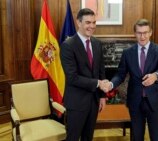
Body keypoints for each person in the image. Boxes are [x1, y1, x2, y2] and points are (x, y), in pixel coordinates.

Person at [104, 19, 158, 141]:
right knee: (136, 137)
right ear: (135, 33)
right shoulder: (128, 53)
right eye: (139, 33)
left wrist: (155, 76)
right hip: (135, 101)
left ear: (151, 33)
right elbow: (120, 74)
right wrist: (111, 84)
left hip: (154, 101)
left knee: (156, 137)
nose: (142, 36)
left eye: (145, 32)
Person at [60, 8, 108, 141]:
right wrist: (98, 83)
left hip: (94, 101)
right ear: (78, 22)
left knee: (88, 137)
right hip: (76, 103)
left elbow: (101, 71)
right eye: (88, 22)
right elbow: (72, 77)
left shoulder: (97, 43)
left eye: (94, 22)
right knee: (73, 138)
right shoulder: (68, 46)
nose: (92, 26)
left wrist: (102, 96)